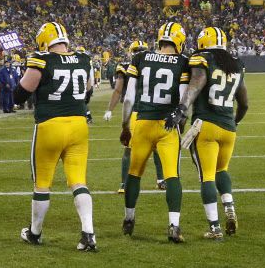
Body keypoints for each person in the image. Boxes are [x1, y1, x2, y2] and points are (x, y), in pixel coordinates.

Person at [14, 21, 96, 252]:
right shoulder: (84, 58)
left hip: (50, 126)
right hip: (79, 126)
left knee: (42, 183)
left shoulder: (41, 59)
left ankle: (35, 233)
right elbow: (88, 92)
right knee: (78, 181)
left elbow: (20, 94)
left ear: (43, 40)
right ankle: (88, 233)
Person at [168, 27, 249, 240]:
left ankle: (215, 228)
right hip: (228, 128)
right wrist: (234, 122)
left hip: (206, 125)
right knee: (222, 169)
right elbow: (244, 104)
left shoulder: (202, 58)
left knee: (207, 177)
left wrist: (182, 108)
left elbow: (196, 84)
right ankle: (229, 205)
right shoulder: (235, 64)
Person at [120, 22, 190, 244]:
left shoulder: (140, 58)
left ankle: (129, 218)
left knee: (134, 173)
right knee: (171, 175)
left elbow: (129, 97)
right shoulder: (183, 62)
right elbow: (182, 100)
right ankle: (174, 225)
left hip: (142, 123)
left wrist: (124, 125)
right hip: (167, 126)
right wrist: (180, 124)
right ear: (179, 41)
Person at [104, 41, 166, 193]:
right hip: (152, 110)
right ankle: (161, 180)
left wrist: (110, 109)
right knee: (155, 147)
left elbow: (118, 90)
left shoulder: (126, 66)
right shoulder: (155, 62)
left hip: (136, 111)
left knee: (129, 149)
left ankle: (125, 183)